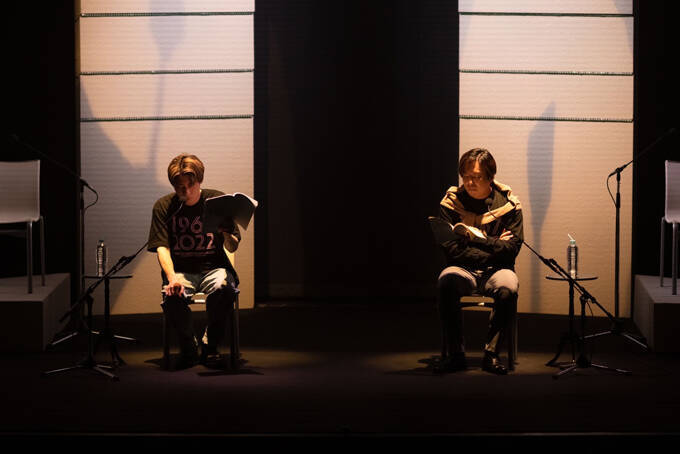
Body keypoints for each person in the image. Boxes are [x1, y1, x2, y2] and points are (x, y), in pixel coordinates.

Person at [435, 148, 523, 374]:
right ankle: (456, 355)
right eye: (465, 176)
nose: (470, 182)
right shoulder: (451, 203)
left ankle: (491, 355)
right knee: (446, 282)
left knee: (507, 288)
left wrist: (476, 241)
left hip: (498, 269)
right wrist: (494, 244)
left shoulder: (508, 205)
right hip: (462, 268)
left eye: (476, 177)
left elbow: (512, 249)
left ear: (490, 177)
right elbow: (451, 250)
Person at [148, 154, 240, 368]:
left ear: (200, 180)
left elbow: (232, 246)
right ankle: (189, 346)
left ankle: (210, 345)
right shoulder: (164, 207)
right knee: (172, 296)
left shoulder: (217, 201)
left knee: (225, 289)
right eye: (180, 187)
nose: (187, 192)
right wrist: (171, 279)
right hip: (181, 270)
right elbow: (162, 248)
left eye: (191, 185)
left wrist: (227, 233)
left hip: (214, 268)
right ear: (174, 186)